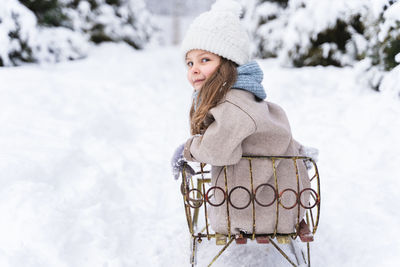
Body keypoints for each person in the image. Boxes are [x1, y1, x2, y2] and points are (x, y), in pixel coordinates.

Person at [171, 0, 318, 236]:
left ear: (229, 63)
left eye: (205, 60)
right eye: (190, 62)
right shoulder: (250, 99)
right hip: (284, 206)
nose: (194, 69)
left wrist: (187, 149)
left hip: (248, 210)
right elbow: (271, 136)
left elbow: (218, 149)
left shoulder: (231, 105)